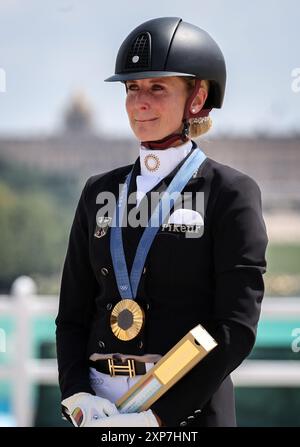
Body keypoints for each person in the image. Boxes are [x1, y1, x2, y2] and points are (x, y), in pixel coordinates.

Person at [55, 17, 268, 427]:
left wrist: (156, 418)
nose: (139, 103)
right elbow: (73, 314)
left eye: (157, 88)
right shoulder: (98, 192)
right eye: (132, 88)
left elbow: (234, 330)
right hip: (98, 413)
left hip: (187, 414)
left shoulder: (231, 193)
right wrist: (76, 391)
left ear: (197, 96)